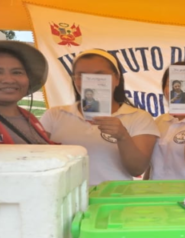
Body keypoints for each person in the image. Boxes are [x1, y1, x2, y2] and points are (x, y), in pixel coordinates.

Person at [40, 49, 158, 186]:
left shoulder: (138, 117)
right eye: (81, 75)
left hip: (112, 201)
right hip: (64, 198)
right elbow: (38, 160)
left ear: (117, 79)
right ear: (74, 79)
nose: (90, 81)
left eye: (100, 75)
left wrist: (123, 136)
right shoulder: (55, 115)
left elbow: (137, 169)